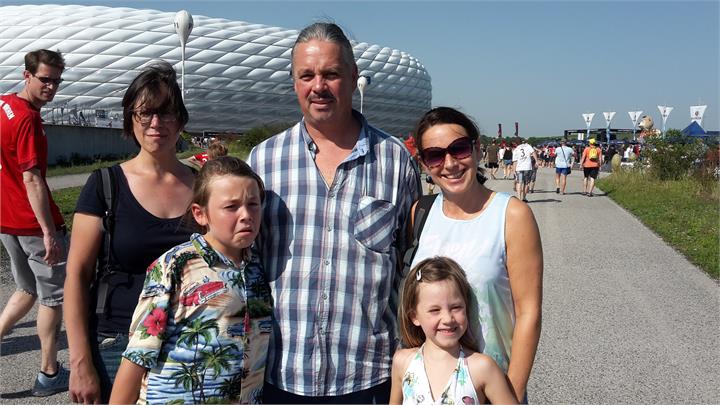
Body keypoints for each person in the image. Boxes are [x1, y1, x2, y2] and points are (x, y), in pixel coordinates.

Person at [247, 22, 421, 403]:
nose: (318, 86)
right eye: (306, 75)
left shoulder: (395, 161)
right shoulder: (264, 161)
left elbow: (410, 266)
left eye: (331, 74)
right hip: (282, 374)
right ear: (293, 81)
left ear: (354, 77)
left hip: (368, 376)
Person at [64, 61, 197, 404]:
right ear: (130, 119)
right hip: (117, 342)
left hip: (191, 342)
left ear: (180, 119)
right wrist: (80, 363)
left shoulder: (203, 187)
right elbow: (77, 275)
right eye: (145, 113)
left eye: (166, 113)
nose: (156, 123)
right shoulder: (105, 185)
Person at [109, 156, 272, 404]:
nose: (246, 215)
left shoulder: (259, 268)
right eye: (231, 207)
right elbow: (138, 354)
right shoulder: (176, 265)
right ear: (200, 213)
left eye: (253, 204)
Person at [410, 107, 542, 402]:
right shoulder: (420, 213)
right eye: (434, 155)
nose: (450, 163)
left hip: (491, 390)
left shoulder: (511, 215)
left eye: (459, 149)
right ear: (424, 163)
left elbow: (528, 312)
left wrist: (511, 393)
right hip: (429, 391)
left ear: (477, 148)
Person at [0, 49, 70, 397]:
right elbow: (32, 178)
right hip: (30, 223)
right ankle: (49, 372)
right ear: (26, 75)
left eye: (56, 81)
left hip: (6, 220)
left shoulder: (3, 105)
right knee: (53, 298)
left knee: (26, 289)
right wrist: (48, 233)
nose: (51, 87)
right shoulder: (27, 119)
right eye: (45, 79)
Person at [390, 257, 519, 405]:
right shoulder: (403, 362)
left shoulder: (482, 368)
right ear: (414, 316)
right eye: (434, 310)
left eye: (456, 307)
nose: (447, 318)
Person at [512, 138, 536, 203]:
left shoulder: (515, 150)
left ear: (515, 143)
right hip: (527, 168)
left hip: (519, 169)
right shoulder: (528, 146)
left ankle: (519, 198)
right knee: (526, 183)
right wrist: (536, 161)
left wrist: (514, 170)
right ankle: (524, 198)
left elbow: (515, 161)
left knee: (519, 183)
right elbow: (533, 153)